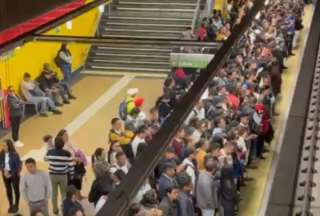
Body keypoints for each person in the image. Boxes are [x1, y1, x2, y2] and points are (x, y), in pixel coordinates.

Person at [44, 136, 74, 215]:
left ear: (55, 144)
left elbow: (45, 159)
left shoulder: (50, 152)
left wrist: (49, 148)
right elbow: (71, 165)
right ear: (63, 144)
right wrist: (71, 175)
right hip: (63, 176)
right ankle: (64, 209)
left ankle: (55, 209)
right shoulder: (67, 153)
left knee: (54, 193)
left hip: (52, 176)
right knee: (63, 193)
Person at [0, 139, 22, 213]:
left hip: (14, 174)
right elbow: (0, 163)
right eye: (2, 145)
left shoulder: (15, 154)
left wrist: (11, 174)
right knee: (8, 190)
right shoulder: (1, 153)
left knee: (16, 190)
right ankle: (11, 205)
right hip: (5, 174)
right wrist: (3, 171)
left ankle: (16, 205)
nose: (3, 147)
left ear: (9, 146)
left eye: (4, 145)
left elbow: (17, 166)